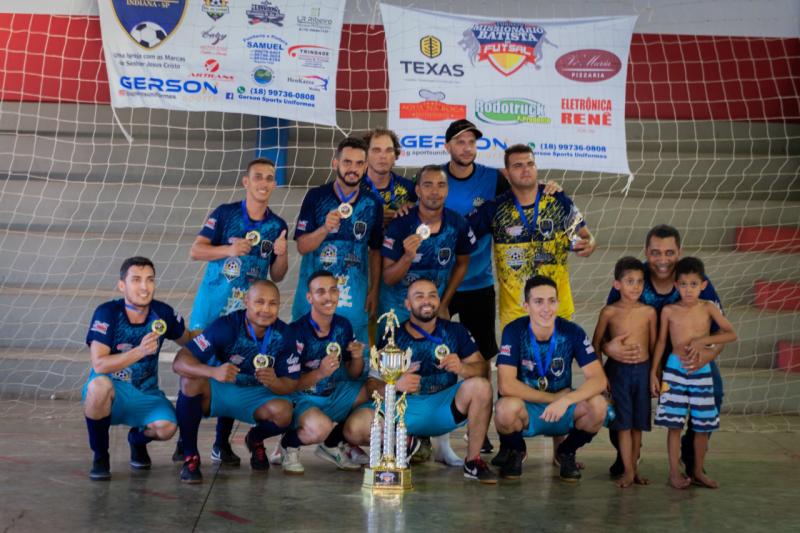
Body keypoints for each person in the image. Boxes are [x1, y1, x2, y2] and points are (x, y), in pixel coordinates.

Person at [468, 143, 595, 466]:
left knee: (559, 375)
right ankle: (510, 446)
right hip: (516, 312)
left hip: (558, 307)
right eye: (519, 165)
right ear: (507, 173)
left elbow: (585, 235)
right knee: (510, 383)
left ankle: (560, 451)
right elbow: (461, 233)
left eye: (530, 164)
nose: (526, 169)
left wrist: (588, 243)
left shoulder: (557, 200)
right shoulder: (495, 209)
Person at [180, 157, 288, 467]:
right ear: (246, 181)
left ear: (274, 184)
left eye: (269, 178)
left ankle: (220, 443)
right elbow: (196, 250)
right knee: (196, 365)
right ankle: (184, 441)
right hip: (213, 307)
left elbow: (278, 275)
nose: (263, 183)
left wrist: (281, 255)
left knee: (234, 370)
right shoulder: (225, 214)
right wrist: (229, 250)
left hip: (246, 312)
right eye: (258, 177)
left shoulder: (277, 225)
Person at [343, 278, 498, 484]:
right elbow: (371, 385)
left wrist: (462, 368)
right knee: (354, 428)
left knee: (481, 386)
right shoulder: (392, 337)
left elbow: (481, 368)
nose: (427, 301)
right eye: (419, 296)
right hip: (405, 411)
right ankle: (405, 444)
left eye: (432, 295)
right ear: (407, 304)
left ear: (438, 300)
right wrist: (395, 385)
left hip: (443, 408)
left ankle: (473, 461)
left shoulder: (455, 332)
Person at [603, 224, 726, 477]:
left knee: (714, 390)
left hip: (686, 358)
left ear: (679, 252)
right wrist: (609, 347)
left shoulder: (695, 280)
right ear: (646, 252)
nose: (662, 260)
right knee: (614, 390)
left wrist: (710, 353)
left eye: (669, 253)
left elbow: (720, 329)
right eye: (655, 252)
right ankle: (626, 456)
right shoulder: (634, 276)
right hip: (641, 357)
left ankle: (691, 456)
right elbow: (607, 325)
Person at [172, 281, 298, 483]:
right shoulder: (226, 326)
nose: (265, 309)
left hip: (256, 395)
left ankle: (255, 439)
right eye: (259, 302)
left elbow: (291, 383)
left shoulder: (285, 334)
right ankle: (190, 456)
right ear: (245, 301)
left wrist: (274, 382)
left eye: (272, 303)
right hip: (223, 388)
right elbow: (180, 361)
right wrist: (213, 371)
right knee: (190, 381)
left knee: (285, 411)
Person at [82, 256, 193, 480]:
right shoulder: (107, 313)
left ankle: (137, 440)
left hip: (146, 392)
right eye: (136, 280)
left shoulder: (163, 313)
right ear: (122, 285)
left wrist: (221, 334)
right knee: (98, 386)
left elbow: (189, 340)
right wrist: (139, 352)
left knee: (167, 428)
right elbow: (99, 363)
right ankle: (101, 455)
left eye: (150, 279)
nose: (144, 287)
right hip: (113, 391)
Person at [493, 276, 608, 482]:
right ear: (526, 306)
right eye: (538, 302)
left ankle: (566, 452)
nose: (546, 308)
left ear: (558, 303)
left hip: (563, 408)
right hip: (529, 408)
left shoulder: (572, 332)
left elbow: (598, 380)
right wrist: (553, 399)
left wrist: (566, 401)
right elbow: (505, 384)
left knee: (599, 406)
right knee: (503, 409)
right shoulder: (514, 330)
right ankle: (517, 451)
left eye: (551, 301)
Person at [270, 271, 369, 474]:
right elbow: (289, 384)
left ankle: (333, 444)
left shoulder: (343, 325)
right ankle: (289, 444)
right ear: (310, 297)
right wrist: (320, 373)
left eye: (333, 290)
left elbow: (353, 374)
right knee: (319, 428)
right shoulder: (295, 332)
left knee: (373, 390)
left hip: (333, 393)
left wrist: (357, 357)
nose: (328, 297)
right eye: (320, 291)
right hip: (303, 398)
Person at [651, 257, 736, 489]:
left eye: (694, 284)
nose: (689, 290)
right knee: (674, 424)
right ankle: (673, 473)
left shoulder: (708, 308)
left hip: (701, 369)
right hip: (674, 370)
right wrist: (653, 373)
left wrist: (704, 341)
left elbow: (730, 334)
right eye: (684, 284)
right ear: (676, 285)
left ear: (703, 285)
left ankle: (697, 470)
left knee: (702, 424)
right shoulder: (669, 310)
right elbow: (660, 342)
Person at [292, 137, 383, 347]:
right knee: (308, 350)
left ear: (366, 166)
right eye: (347, 162)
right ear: (335, 163)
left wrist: (374, 290)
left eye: (359, 163)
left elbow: (375, 250)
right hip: (314, 291)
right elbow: (302, 246)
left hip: (353, 293)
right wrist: (325, 228)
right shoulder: (316, 197)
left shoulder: (373, 203)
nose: (353, 169)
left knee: (354, 354)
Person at [591, 257, 657, 488]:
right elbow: (596, 344)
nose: (636, 286)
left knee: (638, 425)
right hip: (617, 373)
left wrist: (653, 374)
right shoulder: (609, 312)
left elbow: (655, 346)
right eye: (630, 281)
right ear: (617, 284)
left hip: (642, 372)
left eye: (640, 281)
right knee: (624, 425)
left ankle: (634, 470)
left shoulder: (649, 312)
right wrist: (601, 376)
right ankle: (628, 471)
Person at [362, 128, 418, 227]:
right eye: (376, 150)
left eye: (389, 150)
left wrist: (414, 209)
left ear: (395, 156)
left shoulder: (410, 188)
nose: (383, 156)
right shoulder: (353, 188)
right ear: (365, 155)